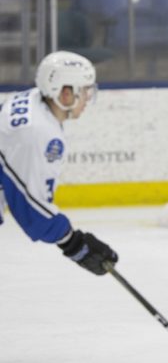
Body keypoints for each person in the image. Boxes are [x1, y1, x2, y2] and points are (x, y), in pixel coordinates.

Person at [0, 51, 118, 275]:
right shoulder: (37, 132)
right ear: (65, 94)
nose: (87, 98)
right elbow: (32, 210)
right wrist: (74, 243)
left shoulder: (34, 100)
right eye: (84, 91)